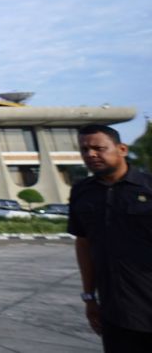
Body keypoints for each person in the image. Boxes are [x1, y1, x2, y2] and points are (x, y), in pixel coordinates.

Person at [69, 124, 152, 352]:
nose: (91, 154)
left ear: (122, 149)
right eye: (84, 150)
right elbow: (83, 244)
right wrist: (89, 297)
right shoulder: (82, 192)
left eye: (98, 148)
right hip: (115, 310)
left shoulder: (148, 187)